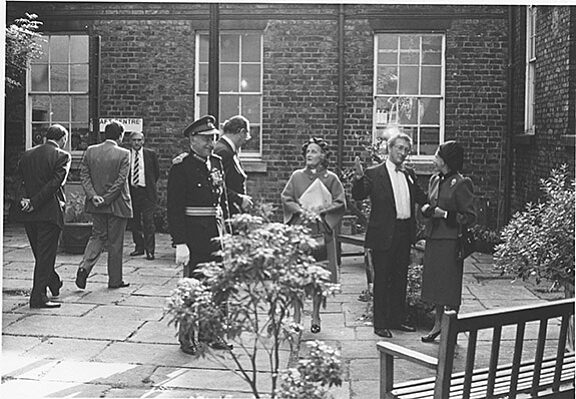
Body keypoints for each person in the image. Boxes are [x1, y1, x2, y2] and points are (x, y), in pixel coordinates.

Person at [351, 131, 427, 338]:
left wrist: (435, 207)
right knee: (383, 279)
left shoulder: (409, 173)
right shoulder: (374, 173)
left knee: (400, 278)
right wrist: (358, 179)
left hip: (404, 233)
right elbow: (359, 194)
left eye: (406, 150)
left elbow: (421, 197)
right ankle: (380, 323)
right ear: (389, 148)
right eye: (399, 148)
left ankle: (397, 319)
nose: (403, 153)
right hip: (383, 233)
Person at [167, 114, 230, 355]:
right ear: (192, 139)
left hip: (216, 233)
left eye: (213, 138)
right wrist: (180, 243)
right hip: (193, 235)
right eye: (205, 138)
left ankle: (211, 333)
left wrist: (229, 232)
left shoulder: (216, 162)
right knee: (192, 288)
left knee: (217, 286)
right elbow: (174, 207)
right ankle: (187, 338)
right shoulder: (181, 167)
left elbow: (221, 200)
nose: (210, 143)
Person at [281, 137, 346, 334]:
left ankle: (316, 314)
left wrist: (324, 211)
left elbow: (341, 202)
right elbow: (286, 198)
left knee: (318, 275)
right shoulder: (296, 176)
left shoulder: (331, 178)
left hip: (321, 231)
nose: (310, 155)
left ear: (323, 155)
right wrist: (299, 210)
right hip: (300, 231)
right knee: (298, 275)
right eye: (308, 151)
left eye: (315, 151)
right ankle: (296, 315)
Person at [419, 141, 476, 343]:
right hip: (434, 237)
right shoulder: (434, 180)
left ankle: (451, 326)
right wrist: (426, 209)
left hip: (451, 241)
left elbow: (469, 216)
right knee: (435, 284)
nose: (434, 159)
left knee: (449, 286)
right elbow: (430, 202)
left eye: (437, 155)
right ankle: (437, 324)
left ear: (446, 160)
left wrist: (445, 215)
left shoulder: (462, 183)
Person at [15, 124, 71, 308]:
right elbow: (55, 184)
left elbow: (18, 181)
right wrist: (35, 202)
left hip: (28, 214)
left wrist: (24, 200)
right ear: (63, 138)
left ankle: (53, 282)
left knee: (41, 254)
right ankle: (38, 297)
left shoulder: (27, 154)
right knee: (45, 255)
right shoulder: (62, 156)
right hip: (48, 213)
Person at [75, 120, 133, 290]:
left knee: (97, 236)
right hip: (118, 204)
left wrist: (94, 197)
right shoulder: (124, 153)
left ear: (104, 134)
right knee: (115, 243)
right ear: (120, 135)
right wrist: (106, 198)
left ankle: (84, 267)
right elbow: (121, 181)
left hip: (96, 205)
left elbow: (84, 176)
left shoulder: (90, 151)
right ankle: (115, 280)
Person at [127, 131, 160, 260]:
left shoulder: (150, 154)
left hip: (146, 192)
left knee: (148, 221)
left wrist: (148, 185)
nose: (137, 142)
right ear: (130, 141)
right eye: (134, 140)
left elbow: (156, 173)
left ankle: (150, 250)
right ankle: (139, 247)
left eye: (139, 140)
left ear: (143, 141)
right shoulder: (126, 155)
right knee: (134, 222)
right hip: (132, 192)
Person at [214, 115, 253, 218]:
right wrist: (239, 199)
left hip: (232, 211)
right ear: (242, 132)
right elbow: (216, 185)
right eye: (246, 136)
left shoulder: (227, 150)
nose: (245, 141)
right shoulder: (223, 152)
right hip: (227, 213)